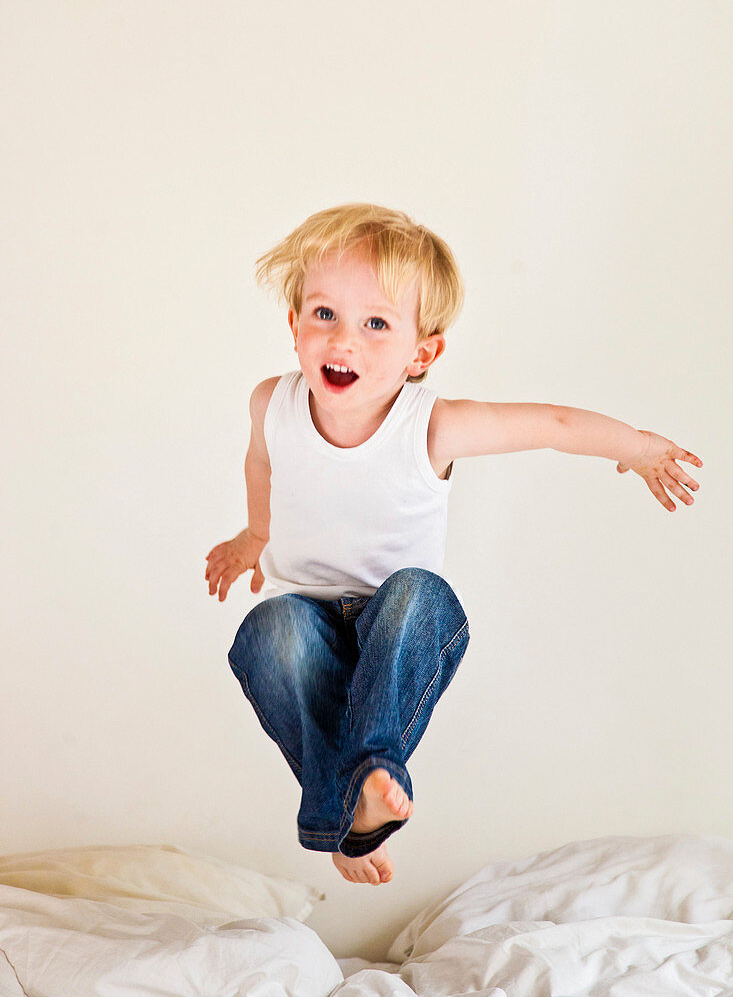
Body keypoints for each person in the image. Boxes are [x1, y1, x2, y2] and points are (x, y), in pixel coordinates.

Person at [205, 202, 703, 887]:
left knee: (417, 592)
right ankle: (352, 810)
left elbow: (550, 423)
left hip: (402, 623)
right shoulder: (272, 403)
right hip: (313, 620)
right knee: (266, 631)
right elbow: (260, 464)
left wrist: (638, 448)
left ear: (422, 353)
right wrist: (253, 537)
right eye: (323, 315)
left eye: (375, 324)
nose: (342, 341)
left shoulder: (430, 427)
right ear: (293, 325)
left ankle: (372, 771)